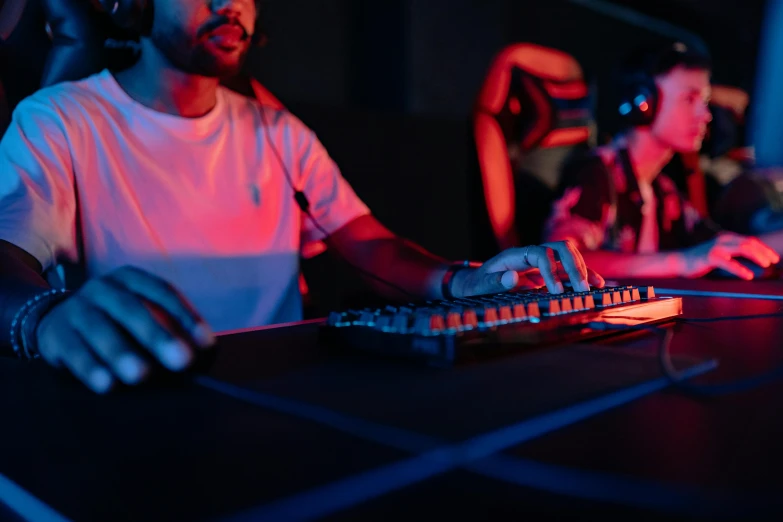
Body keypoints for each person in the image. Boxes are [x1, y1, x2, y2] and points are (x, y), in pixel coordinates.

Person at [0, 0, 603, 393]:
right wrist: (41, 316)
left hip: (288, 389)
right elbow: (7, 259)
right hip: (145, 395)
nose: (229, 6)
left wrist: (464, 280)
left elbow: (365, 239)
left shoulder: (276, 130)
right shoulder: (61, 119)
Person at [544, 42, 779, 280]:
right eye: (689, 99)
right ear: (642, 104)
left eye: (705, 102)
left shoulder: (663, 192)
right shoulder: (595, 174)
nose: (705, 115)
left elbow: (721, 247)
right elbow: (560, 261)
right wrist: (684, 261)